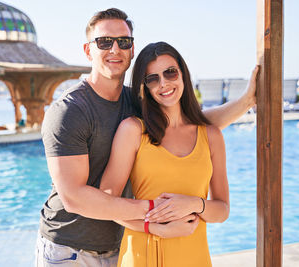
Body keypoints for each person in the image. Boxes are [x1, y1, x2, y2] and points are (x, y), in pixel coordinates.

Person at [37, 8, 259, 267]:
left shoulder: (138, 101)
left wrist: (246, 101)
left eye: (124, 42)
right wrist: (159, 213)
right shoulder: (70, 111)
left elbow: (192, 125)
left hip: (120, 244)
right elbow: (74, 198)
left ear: (132, 50)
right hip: (71, 249)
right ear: (88, 50)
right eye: (104, 42)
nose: (115, 49)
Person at [100, 41, 228, 266]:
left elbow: (222, 210)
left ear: (182, 74)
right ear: (145, 87)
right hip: (143, 255)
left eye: (170, 73)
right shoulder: (133, 130)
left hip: (194, 257)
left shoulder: (211, 135)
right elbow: (106, 203)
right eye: (152, 79)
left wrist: (195, 204)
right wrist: (154, 228)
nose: (164, 84)